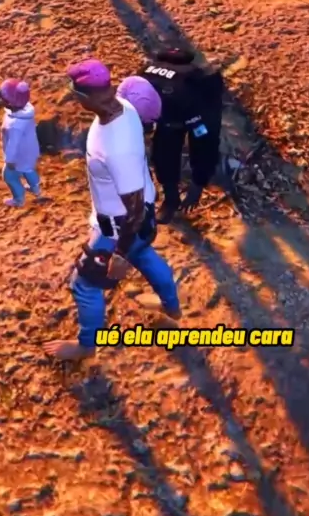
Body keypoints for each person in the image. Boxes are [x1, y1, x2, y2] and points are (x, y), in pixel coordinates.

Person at [44, 59, 180, 363]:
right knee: (145, 256)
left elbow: (133, 207)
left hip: (119, 226)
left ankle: (86, 346)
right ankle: (172, 307)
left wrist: (119, 254)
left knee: (84, 285)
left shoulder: (116, 147)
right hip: (142, 212)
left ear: (83, 97)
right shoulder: (125, 106)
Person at [117, 46, 224, 224]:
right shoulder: (134, 86)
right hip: (168, 105)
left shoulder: (190, 100)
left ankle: (195, 184)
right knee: (163, 151)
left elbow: (206, 143)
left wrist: (198, 183)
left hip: (198, 99)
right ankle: (171, 199)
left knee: (201, 140)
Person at [0, 78, 41, 207]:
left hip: (18, 156)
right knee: (28, 169)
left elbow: (13, 144)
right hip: (31, 150)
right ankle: (35, 188)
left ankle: (19, 199)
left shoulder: (15, 125)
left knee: (9, 177)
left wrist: (10, 160)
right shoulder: (27, 111)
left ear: (10, 102)